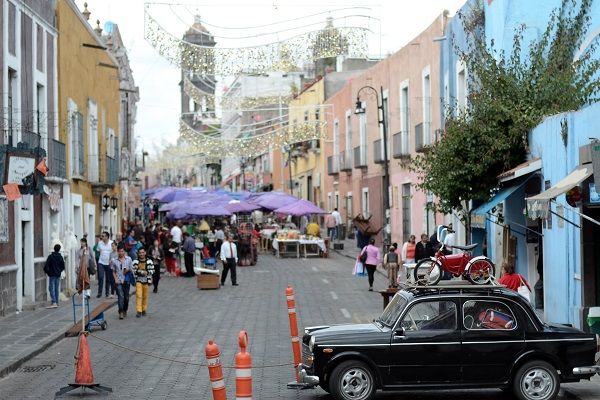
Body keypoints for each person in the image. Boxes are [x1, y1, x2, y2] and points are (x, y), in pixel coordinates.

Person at [112, 244, 133, 319]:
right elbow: (113, 271)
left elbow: (132, 269)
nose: (121, 253)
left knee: (126, 297)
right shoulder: (114, 261)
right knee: (120, 296)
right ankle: (120, 311)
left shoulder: (129, 259)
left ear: (124, 251)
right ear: (117, 252)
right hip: (119, 281)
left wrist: (128, 270)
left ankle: (125, 310)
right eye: (119, 251)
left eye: (122, 251)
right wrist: (115, 279)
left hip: (126, 280)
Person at [132, 247, 155, 317]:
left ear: (145, 253)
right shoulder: (135, 261)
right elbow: (133, 270)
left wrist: (147, 272)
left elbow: (152, 270)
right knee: (139, 295)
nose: (141, 254)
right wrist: (141, 272)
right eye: (140, 253)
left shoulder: (149, 261)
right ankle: (139, 310)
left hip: (146, 281)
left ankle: (144, 309)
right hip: (138, 280)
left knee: (145, 296)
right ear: (138, 254)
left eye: (143, 252)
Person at [44, 244, 65, 308]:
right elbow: (63, 266)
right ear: (59, 249)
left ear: (54, 248)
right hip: (57, 274)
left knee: (51, 288)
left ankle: (54, 301)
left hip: (52, 274)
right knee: (56, 288)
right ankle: (56, 302)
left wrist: (48, 272)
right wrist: (59, 271)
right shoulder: (60, 257)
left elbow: (46, 265)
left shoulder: (50, 256)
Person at [96, 231, 115, 299]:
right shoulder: (100, 243)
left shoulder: (111, 243)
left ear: (107, 237)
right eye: (102, 236)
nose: (102, 237)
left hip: (109, 263)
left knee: (108, 278)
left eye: (103, 236)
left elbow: (114, 251)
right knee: (101, 277)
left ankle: (107, 292)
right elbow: (98, 250)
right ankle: (99, 292)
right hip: (101, 262)